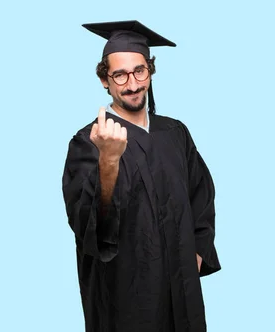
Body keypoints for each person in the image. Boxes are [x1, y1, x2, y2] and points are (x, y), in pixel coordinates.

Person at [61, 20, 221, 332]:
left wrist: (198, 251)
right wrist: (108, 160)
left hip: (182, 291)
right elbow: (89, 231)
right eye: (119, 75)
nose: (132, 83)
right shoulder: (87, 142)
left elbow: (201, 196)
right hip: (126, 298)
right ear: (105, 80)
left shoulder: (175, 133)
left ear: (150, 71)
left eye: (139, 71)